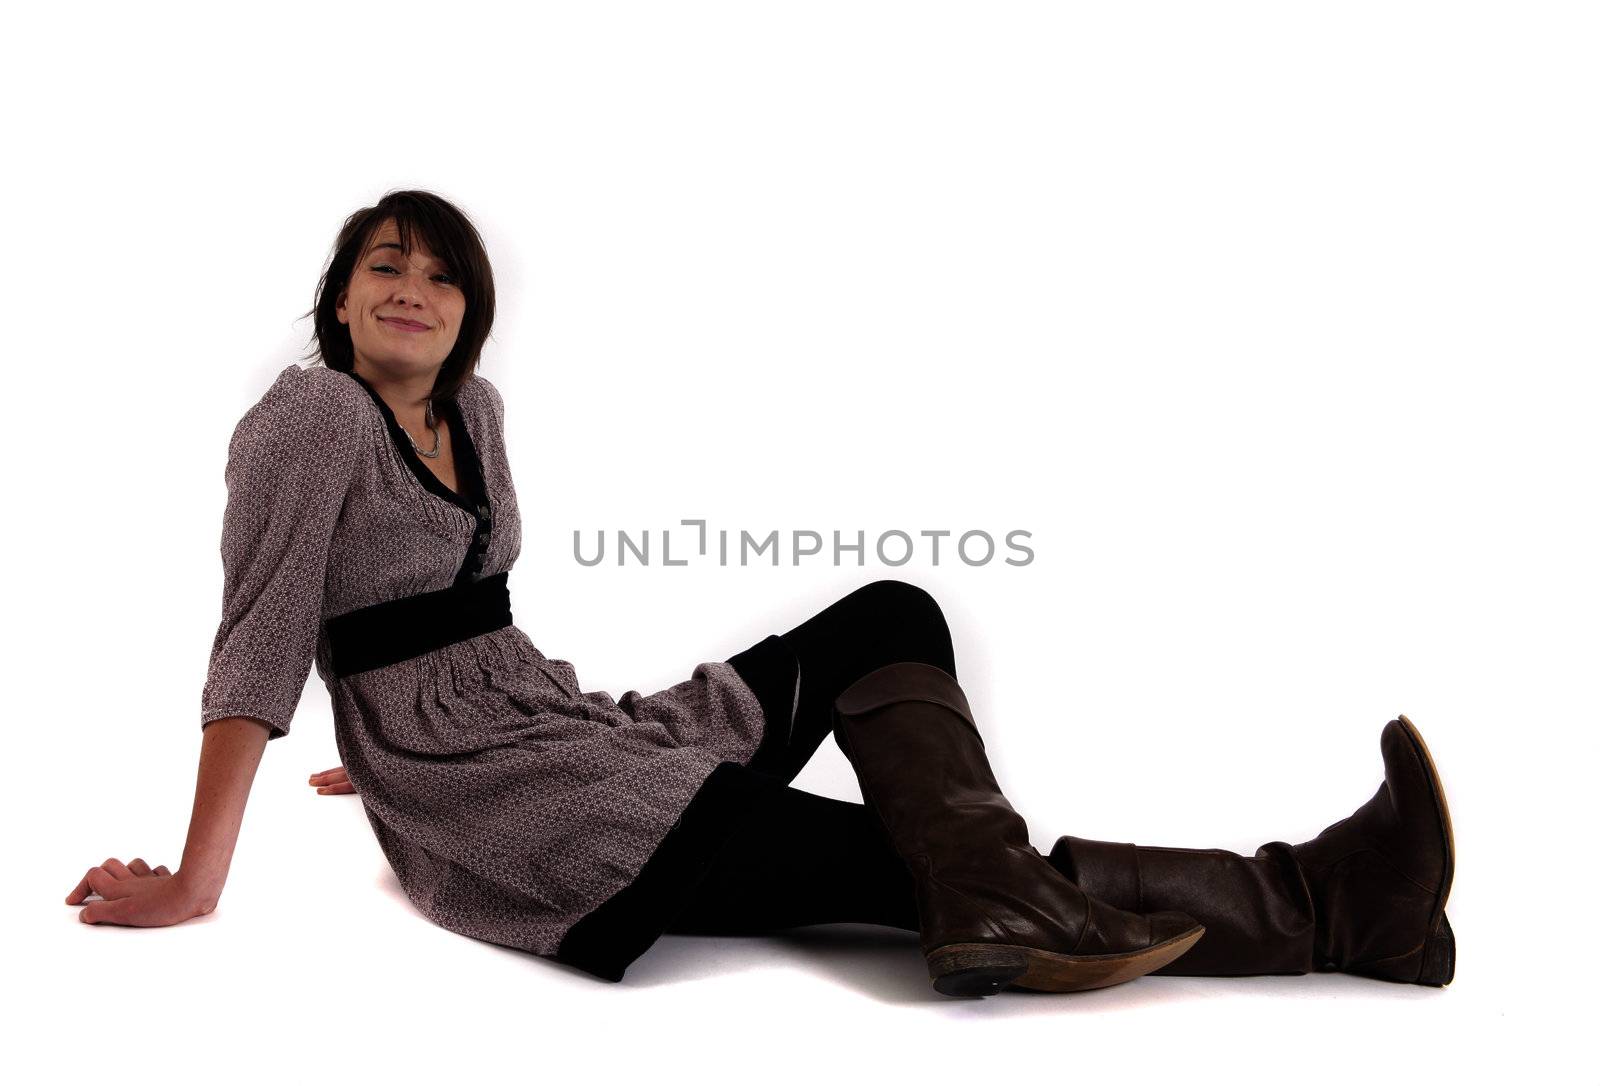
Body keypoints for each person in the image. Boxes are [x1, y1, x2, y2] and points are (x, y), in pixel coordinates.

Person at [65, 189, 1456, 997]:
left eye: (441, 275)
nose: (413, 290)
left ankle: (1011, 901)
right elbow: (260, 647)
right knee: (908, 866)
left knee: (895, 613)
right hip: (504, 800)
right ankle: (1329, 908)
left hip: (562, 724)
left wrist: (399, 723)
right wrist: (208, 872)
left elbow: (450, 615)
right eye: (386, 268)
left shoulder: (475, 408)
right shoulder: (308, 423)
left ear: (473, 309)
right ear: (343, 295)